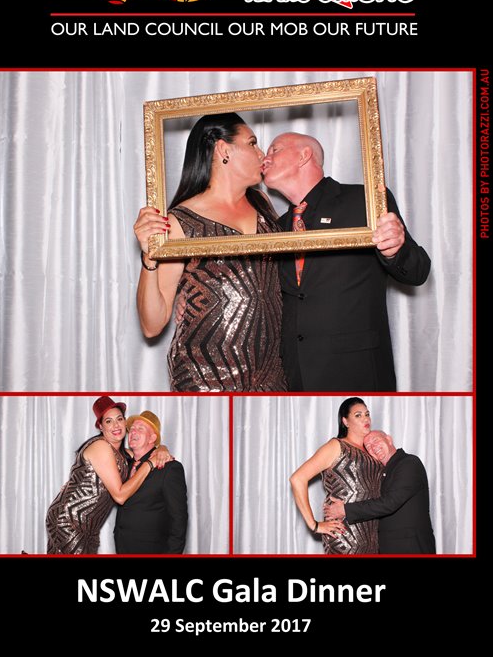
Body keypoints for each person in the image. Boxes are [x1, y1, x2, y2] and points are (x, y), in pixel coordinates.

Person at [262, 132, 431, 391]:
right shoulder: (277, 227)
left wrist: (396, 249)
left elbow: (418, 271)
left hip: (356, 371)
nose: (265, 158)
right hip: (296, 376)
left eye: (275, 150)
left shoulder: (365, 201)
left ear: (304, 155)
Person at [134, 112, 287, 392]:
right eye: (252, 143)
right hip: (205, 378)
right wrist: (149, 258)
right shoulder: (180, 221)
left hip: (270, 375)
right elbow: (152, 325)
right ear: (224, 149)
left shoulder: (262, 203)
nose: (261, 153)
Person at [46, 396, 172, 554]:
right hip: (68, 521)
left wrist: (162, 448)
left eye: (119, 419)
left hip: (90, 527)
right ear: (101, 426)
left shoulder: (124, 454)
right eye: (108, 421)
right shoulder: (101, 446)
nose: (116, 425)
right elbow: (120, 496)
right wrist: (149, 464)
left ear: (125, 422)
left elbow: (147, 450)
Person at [290, 398, 382, 554]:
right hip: (344, 536)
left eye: (367, 414)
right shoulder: (336, 446)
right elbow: (297, 479)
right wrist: (314, 525)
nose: (365, 419)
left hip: (372, 534)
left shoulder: (371, 451)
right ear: (345, 421)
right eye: (358, 415)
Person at [326, 429, 436, 554]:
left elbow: (390, 502)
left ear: (389, 440)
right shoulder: (382, 473)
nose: (373, 447)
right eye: (368, 446)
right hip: (388, 547)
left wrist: (345, 510)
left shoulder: (409, 463)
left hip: (411, 548)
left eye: (376, 440)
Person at [114, 410, 188, 554]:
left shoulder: (170, 468)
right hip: (122, 547)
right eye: (132, 429)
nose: (133, 432)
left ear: (152, 438)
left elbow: (179, 520)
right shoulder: (124, 464)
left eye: (140, 429)